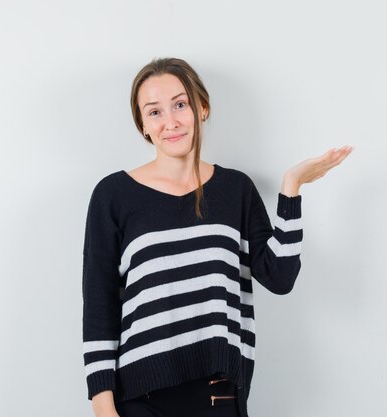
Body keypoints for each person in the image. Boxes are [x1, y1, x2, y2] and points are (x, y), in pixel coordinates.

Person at [81, 57, 352, 417]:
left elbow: (280, 277)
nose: (171, 122)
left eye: (180, 104)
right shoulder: (113, 195)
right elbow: (99, 305)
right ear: (143, 125)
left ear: (202, 108)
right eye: (155, 112)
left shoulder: (235, 189)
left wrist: (291, 189)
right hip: (139, 398)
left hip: (218, 393)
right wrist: (102, 404)